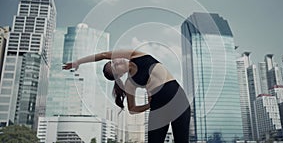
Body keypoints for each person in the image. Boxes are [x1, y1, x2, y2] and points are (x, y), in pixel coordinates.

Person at [62, 50, 191, 143]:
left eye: (112, 61)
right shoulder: (130, 83)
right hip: (158, 108)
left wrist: (78, 62)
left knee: (181, 140)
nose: (115, 62)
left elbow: (102, 55)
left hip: (178, 100)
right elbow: (132, 109)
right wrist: (148, 105)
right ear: (118, 75)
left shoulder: (136, 55)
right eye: (113, 67)